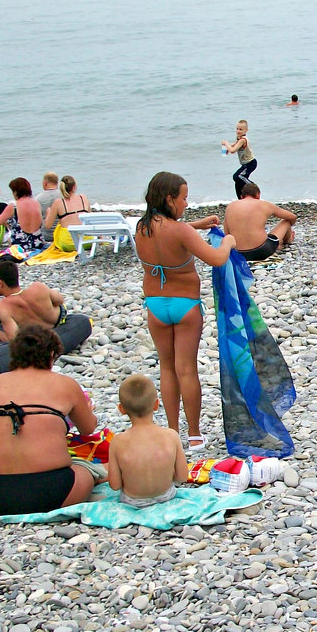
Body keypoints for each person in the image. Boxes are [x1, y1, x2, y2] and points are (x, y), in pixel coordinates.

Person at [135, 171, 235, 452]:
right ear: (170, 199)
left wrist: (197, 225)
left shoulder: (142, 228)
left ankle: (171, 431)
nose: (186, 204)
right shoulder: (181, 231)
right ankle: (193, 435)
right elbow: (216, 259)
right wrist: (228, 241)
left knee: (166, 368)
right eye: (184, 198)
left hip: (155, 306)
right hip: (185, 306)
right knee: (187, 370)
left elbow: (169, 230)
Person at [0, 324, 98, 515]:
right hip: (50, 491)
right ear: (51, 355)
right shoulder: (65, 384)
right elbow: (88, 429)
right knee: (87, 471)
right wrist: (84, 411)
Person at [108, 374, 186, 508]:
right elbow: (182, 476)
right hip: (166, 496)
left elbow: (115, 485)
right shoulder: (171, 436)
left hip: (133, 501)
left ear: (121, 409)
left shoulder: (117, 442)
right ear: (156, 404)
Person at [0, 261, 66, 340]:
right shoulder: (38, 287)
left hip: (38, 334)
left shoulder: (4, 306)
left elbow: (13, 340)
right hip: (59, 319)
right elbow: (60, 300)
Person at [223, 182, 297, 262]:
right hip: (262, 251)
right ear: (258, 195)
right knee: (286, 222)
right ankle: (288, 240)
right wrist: (288, 231)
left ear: (241, 196)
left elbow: (227, 234)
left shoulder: (230, 207)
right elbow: (292, 217)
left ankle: (281, 241)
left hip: (238, 253)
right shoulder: (264, 204)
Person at [0, 177, 44, 252]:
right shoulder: (36, 203)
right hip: (38, 242)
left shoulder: (14, 206)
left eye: (13, 191)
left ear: (16, 192)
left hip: (20, 245)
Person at [42, 175, 91, 253]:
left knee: (60, 226)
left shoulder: (58, 202)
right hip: (87, 240)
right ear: (74, 187)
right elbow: (90, 219)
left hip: (67, 243)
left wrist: (48, 213)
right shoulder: (83, 198)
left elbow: (47, 226)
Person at [222, 119, 256, 199]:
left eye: (241, 129)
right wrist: (228, 148)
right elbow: (234, 145)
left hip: (250, 163)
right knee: (238, 181)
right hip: (245, 164)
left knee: (237, 176)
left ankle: (254, 189)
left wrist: (226, 144)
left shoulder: (243, 140)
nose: (238, 131)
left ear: (246, 130)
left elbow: (233, 151)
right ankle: (241, 199)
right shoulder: (239, 138)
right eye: (237, 129)